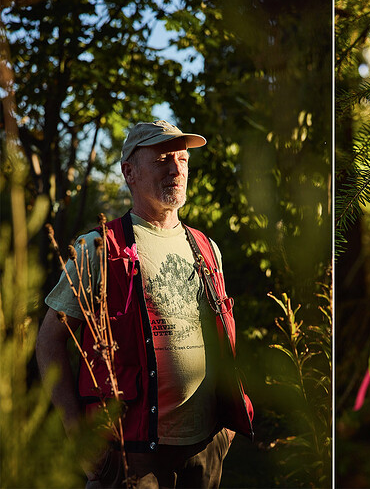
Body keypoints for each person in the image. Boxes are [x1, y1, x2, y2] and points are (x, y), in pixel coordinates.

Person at [36, 120, 254, 488]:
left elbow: (222, 339)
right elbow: (49, 341)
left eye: (182, 160)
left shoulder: (206, 247)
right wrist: (79, 437)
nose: (176, 169)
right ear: (129, 171)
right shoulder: (100, 249)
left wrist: (225, 434)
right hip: (130, 454)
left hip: (205, 447)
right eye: (163, 159)